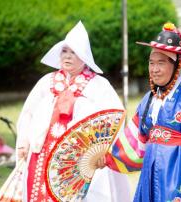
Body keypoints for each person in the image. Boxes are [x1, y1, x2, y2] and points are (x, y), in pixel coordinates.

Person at [103, 22, 181, 202]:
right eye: (151, 63)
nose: (154, 69)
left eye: (161, 63)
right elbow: (134, 140)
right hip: (151, 169)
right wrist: (107, 158)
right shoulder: (148, 99)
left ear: (177, 65)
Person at [16, 21, 131, 202]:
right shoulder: (47, 81)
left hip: (79, 159)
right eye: (65, 51)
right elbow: (28, 112)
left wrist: (103, 151)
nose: (68, 57)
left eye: (74, 52)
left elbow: (114, 120)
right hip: (42, 152)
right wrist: (23, 140)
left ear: (84, 57)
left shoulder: (99, 85)